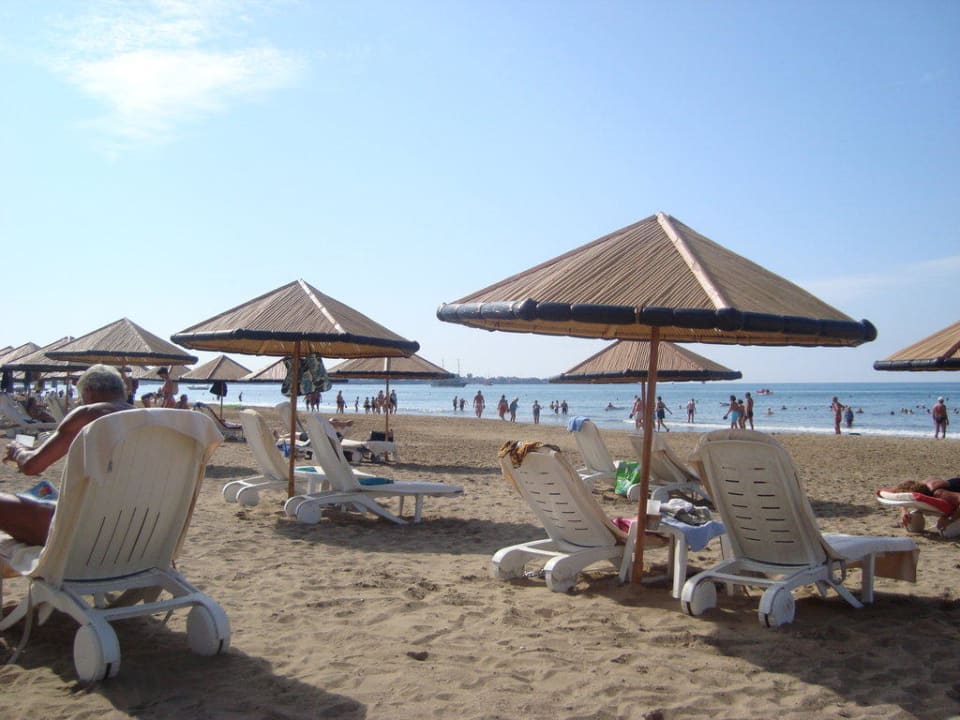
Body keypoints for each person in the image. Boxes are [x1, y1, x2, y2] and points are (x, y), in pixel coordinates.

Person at [1, 365, 133, 546]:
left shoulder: (90, 414)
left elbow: (32, 466)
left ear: (89, 393)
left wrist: (17, 451)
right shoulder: (148, 421)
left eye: (81, 398)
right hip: (137, 531)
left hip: (85, 531)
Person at [891, 477, 960, 532]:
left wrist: (949, 520)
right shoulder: (920, 486)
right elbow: (905, 496)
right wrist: (904, 512)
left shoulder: (938, 493)